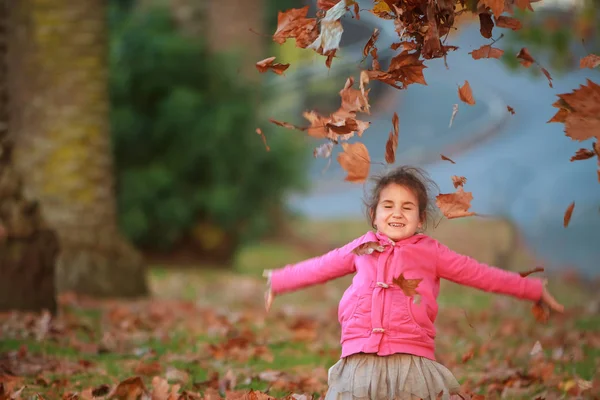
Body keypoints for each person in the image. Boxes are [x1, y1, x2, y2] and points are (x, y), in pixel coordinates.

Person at [263, 166, 564, 400]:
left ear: (420, 219)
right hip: (359, 363)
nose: (397, 213)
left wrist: (533, 289)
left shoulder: (431, 253)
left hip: (410, 361)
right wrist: (279, 280)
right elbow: (321, 266)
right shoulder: (361, 248)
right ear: (374, 215)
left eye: (407, 207)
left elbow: (480, 274)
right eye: (388, 205)